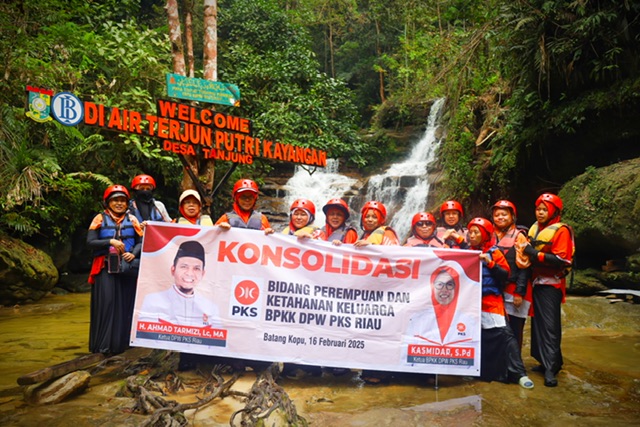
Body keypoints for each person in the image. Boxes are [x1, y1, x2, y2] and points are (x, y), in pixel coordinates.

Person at [466, 217, 534, 389]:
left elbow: (505, 275)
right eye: (470, 232)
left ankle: (519, 373)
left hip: (491, 301)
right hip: (471, 303)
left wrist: (490, 263)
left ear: (485, 234)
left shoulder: (494, 252)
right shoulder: (465, 253)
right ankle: (478, 370)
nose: (472, 235)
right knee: (476, 337)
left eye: (476, 232)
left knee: (506, 335)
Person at [522, 193, 574, 387]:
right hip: (536, 281)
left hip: (551, 284)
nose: (540, 213)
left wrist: (534, 253)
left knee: (550, 326)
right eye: (538, 209)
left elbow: (561, 259)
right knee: (538, 325)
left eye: (545, 210)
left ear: (553, 212)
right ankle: (546, 362)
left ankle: (551, 369)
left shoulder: (562, 231)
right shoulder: (536, 228)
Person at [86, 184, 143, 354]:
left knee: (126, 304)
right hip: (105, 267)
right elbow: (90, 242)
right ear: (108, 203)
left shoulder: (133, 219)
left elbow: (141, 241)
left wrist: (133, 253)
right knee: (108, 304)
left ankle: (123, 345)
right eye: (115, 200)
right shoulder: (99, 219)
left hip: (126, 267)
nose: (119, 203)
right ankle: (103, 346)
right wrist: (110, 242)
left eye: (122, 200)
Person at [354, 201, 399, 384]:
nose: (370, 220)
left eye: (374, 216)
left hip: (384, 290)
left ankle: (382, 373)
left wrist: (371, 248)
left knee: (382, 330)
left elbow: (394, 255)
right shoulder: (364, 235)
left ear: (381, 219)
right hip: (367, 290)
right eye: (367, 216)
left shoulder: (387, 233)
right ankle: (368, 369)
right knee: (369, 331)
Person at [138, 240, 220, 327]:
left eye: (196, 268)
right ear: (173, 270)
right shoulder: (153, 301)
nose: (189, 273)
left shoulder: (211, 309)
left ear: (202, 274)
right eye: (184, 267)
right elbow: (144, 333)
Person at [491, 200, 532, 351]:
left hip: (513, 289)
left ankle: (514, 362)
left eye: (504, 214)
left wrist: (519, 292)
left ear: (512, 216)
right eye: (497, 215)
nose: (500, 217)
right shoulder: (489, 235)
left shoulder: (519, 237)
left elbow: (524, 267)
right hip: (495, 290)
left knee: (515, 330)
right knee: (496, 329)